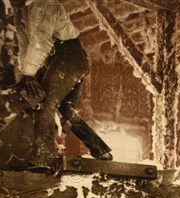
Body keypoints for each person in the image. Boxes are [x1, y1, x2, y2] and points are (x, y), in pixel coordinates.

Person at [10, 0, 112, 169]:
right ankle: (100, 149)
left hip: (69, 57)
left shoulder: (43, 5)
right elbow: (24, 47)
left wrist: (28, 73)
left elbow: (40, 42)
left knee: (44, 105)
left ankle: (44, 160)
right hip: (61, 59)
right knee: (65, 109)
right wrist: (23, 76)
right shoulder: (20, 13)